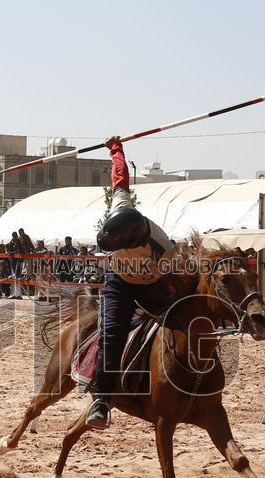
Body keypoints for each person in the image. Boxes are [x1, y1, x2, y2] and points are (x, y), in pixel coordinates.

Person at [85, 135, 178, 430]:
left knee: (179, 324)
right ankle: (101, 400)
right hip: (120, 284)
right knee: (112, 335)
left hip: (153, 286)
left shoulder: (163, 247)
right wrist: (115, 148)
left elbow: (173, 279)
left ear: (136, 239)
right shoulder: (121, 206)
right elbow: (120, 175)